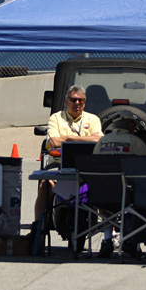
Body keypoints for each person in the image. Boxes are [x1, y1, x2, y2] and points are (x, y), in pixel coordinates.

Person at [33, 85, 103, 229]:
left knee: (104, 187)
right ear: (66, 102)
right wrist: (86, 138)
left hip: (87, 167)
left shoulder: (93, 119)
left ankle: (110, 232)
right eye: (73, 99)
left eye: (81, 100)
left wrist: (66, 138)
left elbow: (99, 141)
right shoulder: (56, 118)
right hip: (58, 165)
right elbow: (52, 142)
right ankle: (38, 227)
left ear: (84, 102)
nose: (77, 103)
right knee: (45, 186)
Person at [93, 113, 146, 258]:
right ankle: (133, 241)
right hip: (129, 196)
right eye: (133, 124)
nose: (135, 127)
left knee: (105, 192)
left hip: (103, 196)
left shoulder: (102, 142)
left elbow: (95, 167)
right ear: (128, 125)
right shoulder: (135, 141)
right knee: (143, 195)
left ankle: (107, 239)